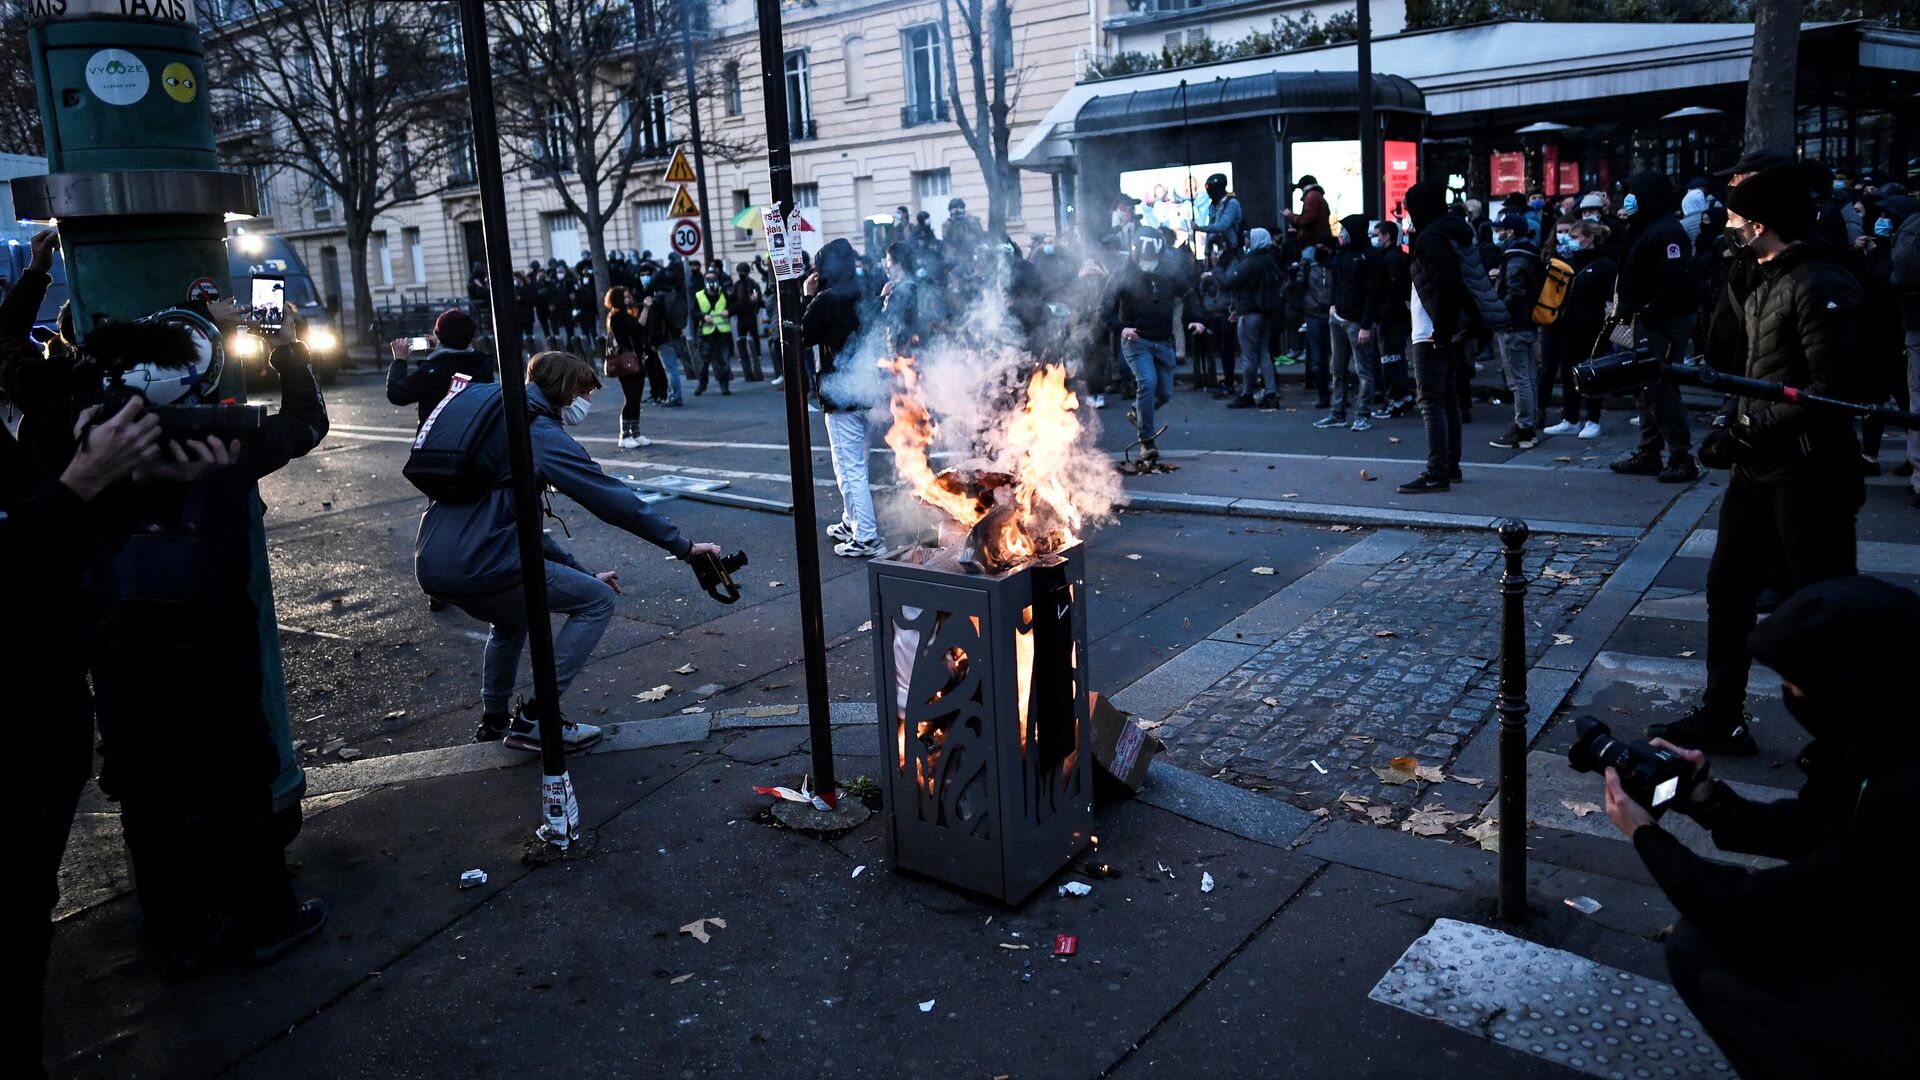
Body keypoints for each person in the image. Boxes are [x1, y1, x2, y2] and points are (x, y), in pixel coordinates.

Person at [1601, 576, 1920, 1080]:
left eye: (1797, 688)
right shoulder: (1886, 737)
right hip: (1883, 929)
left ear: (1849, 690)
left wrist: (1645, 833)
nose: (1791, 699)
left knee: (1699, 950)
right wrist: (1711, 802)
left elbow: (1757, 907)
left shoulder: (1907, 797)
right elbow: (1820, 827)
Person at [1652, 165, 1866, 755]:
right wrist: (1734, 423)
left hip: (1809, 473)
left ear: (1762, 223)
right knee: (1727, 590)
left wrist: (1748, 428)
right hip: (1758, 466)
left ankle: (1846, 739)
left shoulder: (1821, 282)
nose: (1725, 225)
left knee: (1821, 608)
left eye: (1734, 217)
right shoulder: (1762, 273)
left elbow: (1833, 392)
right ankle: (1722, 714)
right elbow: (1732, 355)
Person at [417, 351, 719, 750]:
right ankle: (537, 718)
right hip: (482, 560)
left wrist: (579, 570)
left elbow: (521, 524)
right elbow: (611, 499)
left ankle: (493, 720)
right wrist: (684, 548)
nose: (585, 400)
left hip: (434, 559)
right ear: (562, 389)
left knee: (511, 618)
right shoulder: (540, 433)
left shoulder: (501, 419)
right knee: (595, 602)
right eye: (582, 390)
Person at [1398, 181, 1509, 493]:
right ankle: (1451, 464)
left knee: (1431, 400)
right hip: (1448, 327)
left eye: (1409, 207)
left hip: (1431, 329)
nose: (1407, 214)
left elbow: (1444, 285)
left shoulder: (1431, 238)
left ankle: (1437, 472)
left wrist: (1440, 330)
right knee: (1447, 398)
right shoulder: (1452, 231)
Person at [1608, 171, 1699, 484]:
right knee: (1646, 386)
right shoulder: (1646, 227)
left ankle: (1681, 456)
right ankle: (1649, 452)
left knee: (1660, 387)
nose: (1627, 198)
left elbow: (1676, 280)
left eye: (1633, 192)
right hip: (1645, 319)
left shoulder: (1666, 231)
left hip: (1662, 321)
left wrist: (1651, 311)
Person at [803, 238, 882, 558]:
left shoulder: (827, 298)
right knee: (854, 463)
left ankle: (867, 536)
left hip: (842, 390)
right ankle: (852, 522)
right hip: (867, 387)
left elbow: (801, 336)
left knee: (850, 468)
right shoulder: (865, 289)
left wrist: (807, 297)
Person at [1104, 233, 1201, 464]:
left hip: (1164, 341)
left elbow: (1189, 294)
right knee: (1147, 381)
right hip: (1136, 341)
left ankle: (1139, 412)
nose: (1149, 266)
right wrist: (1121, 328)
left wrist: (1197, 318)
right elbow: (1104, 308)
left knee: (1165, 393)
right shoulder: (1122, 274)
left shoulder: (1169, 271)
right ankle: (1147, 442)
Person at [1540, 219, 1616, 439]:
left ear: (1589, 238)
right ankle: (1571, 417)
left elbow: (1609, 298)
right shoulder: (1571, 262)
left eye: (1575, 237)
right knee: (1567, 372)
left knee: (1592, 373)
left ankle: (1593, 419)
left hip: (1592, 328)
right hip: (1568, 327)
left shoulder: (1604, 265)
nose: (1570, 241)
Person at [1319, 214, 1380, 431]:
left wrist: (1366, 324)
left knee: (1363, 371)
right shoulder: (1344, 252)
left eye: (1345, 229)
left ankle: (1362, 414)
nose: (1341, 233)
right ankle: (1338, 413)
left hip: (1357, 322)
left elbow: (1373, 293)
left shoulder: (1371, 256)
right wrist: (1333, 304)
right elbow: (1336, 278)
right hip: (1339, 316)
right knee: (1337, 369)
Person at [1487, 210, 1543, 450]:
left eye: (1500, 229)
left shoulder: (1515, 257)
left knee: (1518, 381)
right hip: (1527, 323)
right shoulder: (1529, 253)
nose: (1497, 233)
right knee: (1527, 378)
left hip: (1513, 326)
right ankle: (1527, 425)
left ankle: (1523, 428)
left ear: (1510, 231)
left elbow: (1515, 293)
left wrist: (1498, 312)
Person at [386, 308, 497, 427]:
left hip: (439, 439)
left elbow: (396, 394)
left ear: (439, 338)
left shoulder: (433, 371)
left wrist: (399, 360)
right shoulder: (482, 363)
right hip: (472, 436)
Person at [1213, 228, 1284, 409]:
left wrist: (1217, 269)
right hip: (1266, 313)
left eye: (1248, 238)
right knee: (1264, 353)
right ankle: (1270, 392)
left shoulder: (1251, 262)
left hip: (1250, 314)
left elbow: (1229, 282)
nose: (1246, 241)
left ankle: (1247, 393)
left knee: (1249, 355)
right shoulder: (1269, 260)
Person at [1362, 219, 1413, 417]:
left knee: (1390, 358)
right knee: (1396, 357)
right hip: (1395, 314)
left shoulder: (1390, 260)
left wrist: (1383, 314)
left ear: (1387, 236)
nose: (1376, 239)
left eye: (1378, 235)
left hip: (1390, 316)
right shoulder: (1397, 257)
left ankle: (1396, 399)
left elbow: (1391, 291)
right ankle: (1402, 396)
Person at [604, 286, 651, 449]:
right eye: (624, 296)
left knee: (636, 398)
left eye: (627, 295)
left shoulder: (626, 315)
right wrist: (646, 308)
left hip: (636, 360)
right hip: (626, 362)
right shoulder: (616, 317)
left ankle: (636, 432)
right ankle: (624, 435)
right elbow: (638, 328)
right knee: (631, 398)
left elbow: (637, 328)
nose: (627, 298)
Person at [640, 270, 686, 406]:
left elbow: (654, 324)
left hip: (664, 339)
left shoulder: (657, 300)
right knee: (674, 368)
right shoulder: (673, 296)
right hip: (676, 336)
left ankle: (675, 397)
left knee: (671, 369)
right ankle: (675, 395)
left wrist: (652, 342)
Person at [692, 269, 733, 395]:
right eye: (708, 279)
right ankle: (702, 385)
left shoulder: (724, 293)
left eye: (713, 279)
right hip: (706, 334)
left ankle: (724, 385)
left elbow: (736, 306)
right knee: (704, 363)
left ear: (717, 281)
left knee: (724, 362)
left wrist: (729, 311)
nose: (711, 282)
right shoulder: (699, 295)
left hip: (722, 333)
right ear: (705, 281)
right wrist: (703, 316)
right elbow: (693, 312)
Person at [729, 262, 766, 382]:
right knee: (741, 336)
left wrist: (756, 301)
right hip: (740, 315)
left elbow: (758, 297)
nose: (741, 274)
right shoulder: (737, 284)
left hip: (750, 313)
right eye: (740, 271)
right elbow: (733, 298)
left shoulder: (753, 283)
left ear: (747, 272)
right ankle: (743, 354)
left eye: (743, 272)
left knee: (754, 334)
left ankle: (757, 353)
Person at [1193, 173, 1244, 255]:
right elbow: (1211, 227)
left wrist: (1200, 228)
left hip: (1232, 249)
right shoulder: (1213, 205)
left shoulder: (1232, 203)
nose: (1209, 193)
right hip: (1215, 249)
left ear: (1219, 189)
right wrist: (1206, 252)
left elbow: (1223, 226)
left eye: (1211, 190)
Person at [1285, 174, 1330, 245]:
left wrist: (1290, 216)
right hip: (1317, 241)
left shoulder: (1312, 196)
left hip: (1313, 242)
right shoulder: (1317, 196)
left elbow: (1308, 219)